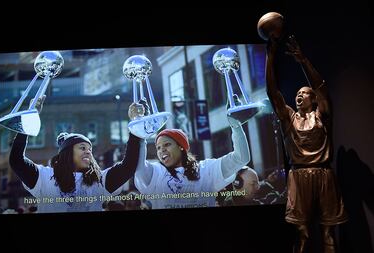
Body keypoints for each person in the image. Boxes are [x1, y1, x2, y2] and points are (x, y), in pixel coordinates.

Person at [266, 35, 347, 252]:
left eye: (305, 93)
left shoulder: (322, 116)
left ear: (313, 100)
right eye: (298, 94)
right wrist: (271, 55)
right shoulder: (289, 118)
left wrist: (303, 61)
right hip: (298, 176)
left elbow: (321, 87)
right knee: (302, 234)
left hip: (323, 174)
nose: (300, 96)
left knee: (328, 233)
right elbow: (273, 93)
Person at [9, 95, 141, 213]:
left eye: (89, 149)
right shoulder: (44, 177)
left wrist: (135, 126)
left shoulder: (100, 181)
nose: (88, 152)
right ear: (67, 152)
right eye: (82, 147)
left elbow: (128, 166)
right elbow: (16, 161)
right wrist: (29, 119)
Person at [128, 102, 251, 209]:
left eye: (167, 145)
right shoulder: (156, 172)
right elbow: (138, 168)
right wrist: (140, 128)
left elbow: (241, 158)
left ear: (181, 146)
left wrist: (236, 125)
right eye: (158, 148)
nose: (162, 150)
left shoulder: (206, 170)